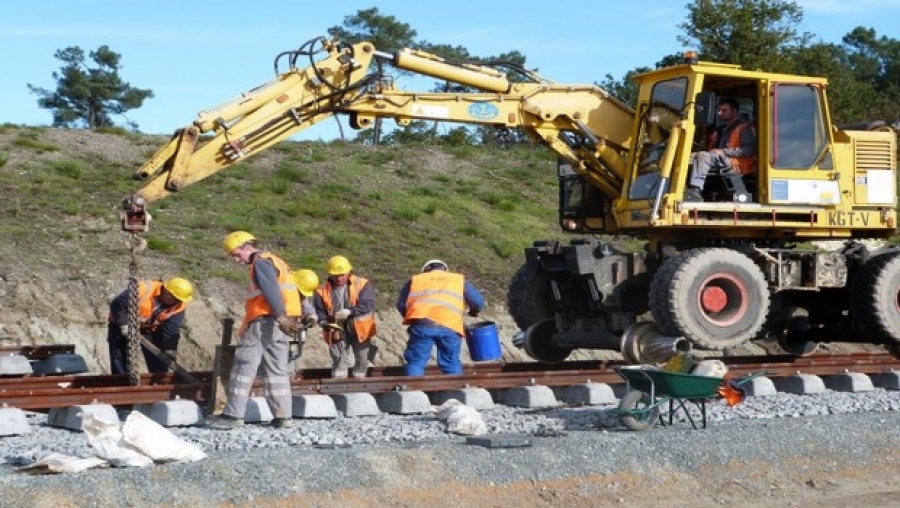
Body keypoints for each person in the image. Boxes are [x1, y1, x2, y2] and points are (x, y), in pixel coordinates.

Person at [209, 231, 302, 430]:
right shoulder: (278, 261)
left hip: (264, 321)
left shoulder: (260, 263)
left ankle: (233, 415)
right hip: (280, 325)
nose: (236, 260)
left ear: (246, 246)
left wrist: (280, 315)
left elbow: (271, 291)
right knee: (277, 371)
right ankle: (283, 417)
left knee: (244, 366)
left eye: (235, 254)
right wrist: (285, 318)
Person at [396, 259, 485, 376]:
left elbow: (401, 305)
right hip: (450, 325)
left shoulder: (415, 280)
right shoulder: (458, 280)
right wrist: (474, 311)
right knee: (451, 363)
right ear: (445, 270)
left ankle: (413, 390)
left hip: (422, 325)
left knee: (416, 362)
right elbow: (478, 302)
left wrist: (412, 318)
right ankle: (455, 390)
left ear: (425, 270)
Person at [107, 277, 194, 374]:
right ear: (167, 292)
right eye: (176, 298)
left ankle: (158, 383)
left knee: (158, 360)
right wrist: (124, 324)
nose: (177, 302)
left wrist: (170, 348)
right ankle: (121, 383)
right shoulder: (143, 289)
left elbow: (172, 328)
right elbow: (117, 304)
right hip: (121, 323)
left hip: (148, 329)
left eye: (179, 299)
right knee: (120, 357)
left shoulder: (179, 306)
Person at [313, 255, 378, 379]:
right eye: (336, 275)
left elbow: (368, 305)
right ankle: (339, 386)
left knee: (362, 358)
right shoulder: (321, 291)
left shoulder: (362, 284)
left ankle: (360, 387)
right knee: (338, 359)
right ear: (330, 274)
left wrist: (350, 311)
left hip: (360, 329)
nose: (339, 278)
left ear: (349, 272)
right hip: (337, 329)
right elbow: (320, 311)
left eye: (342, 274)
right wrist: (324, 322)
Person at [685, 98, 757, 202]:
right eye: (719, 110)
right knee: (690, 157)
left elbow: (748, 151)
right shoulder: (721, 129)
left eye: (724, 110)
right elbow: (713, 151)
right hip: (721, 159)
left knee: (703, 156)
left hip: (736, 162)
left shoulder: (744, 128)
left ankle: (695, 191)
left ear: (734, 112)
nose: (719, 113)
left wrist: (724, 151)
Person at [287, 268, 320, 372]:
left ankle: (289, 378)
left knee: (291, 359)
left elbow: (307, 307)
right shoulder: (282, 292)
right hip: (279, 331)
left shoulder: (300, 295)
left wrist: (311, 317)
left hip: (293, 333)